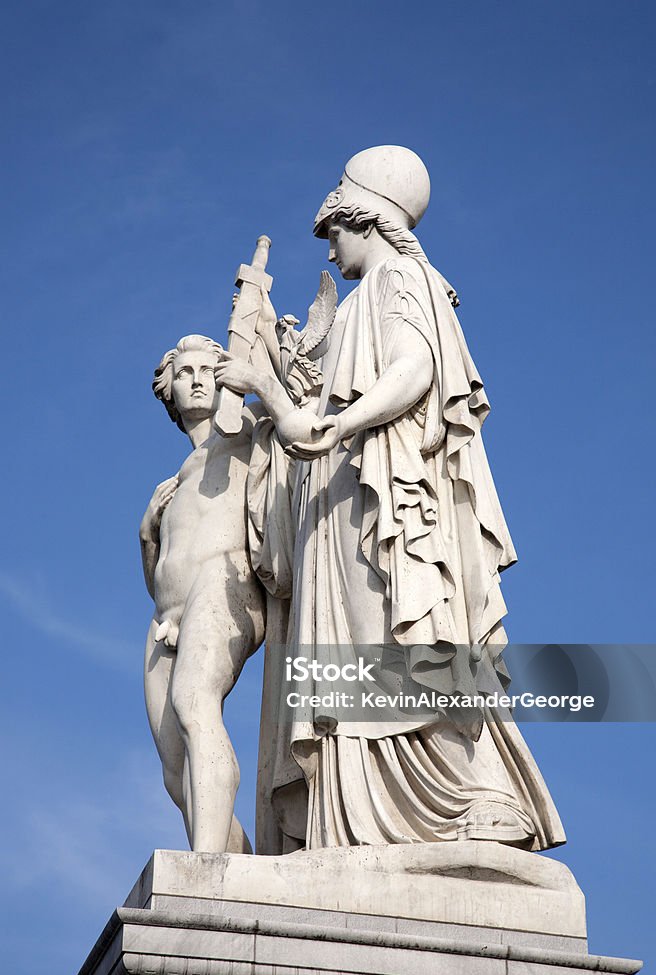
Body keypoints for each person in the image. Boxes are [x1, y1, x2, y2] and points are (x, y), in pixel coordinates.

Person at [218, 147, 565, 854]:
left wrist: (340, 421)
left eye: (334, 231)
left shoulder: (397, 279)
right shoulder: (363, 298)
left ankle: (470, 796)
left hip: (384, 498)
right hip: (346, 496)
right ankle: (359, 818)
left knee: (398, 630)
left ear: (364, 217)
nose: (330, 246)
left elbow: (413, 368)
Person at [140, 333, 266, 853]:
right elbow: (157, 576)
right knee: (175, 771)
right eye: (184, 373)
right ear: (168, 391)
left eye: (205, 371)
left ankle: (206, 869)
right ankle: (238, 863)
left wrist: (258, 363)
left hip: (226, 584)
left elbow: (293, 408)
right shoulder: (174, 480)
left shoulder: (246, 429)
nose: (195, 380)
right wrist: (146, 530)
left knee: (196, 705)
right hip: (167, 614)